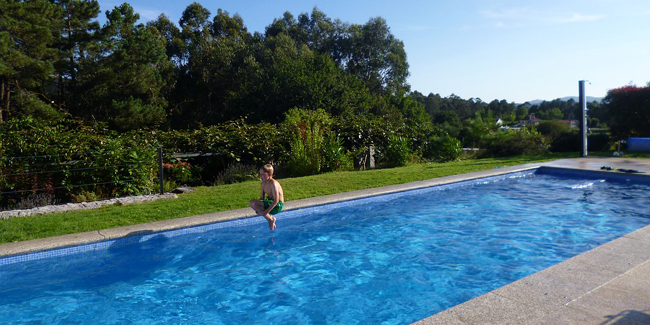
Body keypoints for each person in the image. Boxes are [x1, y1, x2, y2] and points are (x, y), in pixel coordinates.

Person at [249, 164, 284, 231]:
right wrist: (257, 208)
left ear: (270, 174)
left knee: (253, 202)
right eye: (260, 174)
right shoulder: (263, 184)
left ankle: (270, 220)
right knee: (252, 203)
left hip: (277, 205)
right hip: (270, 203)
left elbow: (276, 200)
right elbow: (262, 198)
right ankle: (270, 220)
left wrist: (265, 212)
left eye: (263, 174)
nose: (260, 176)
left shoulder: (273, 183)